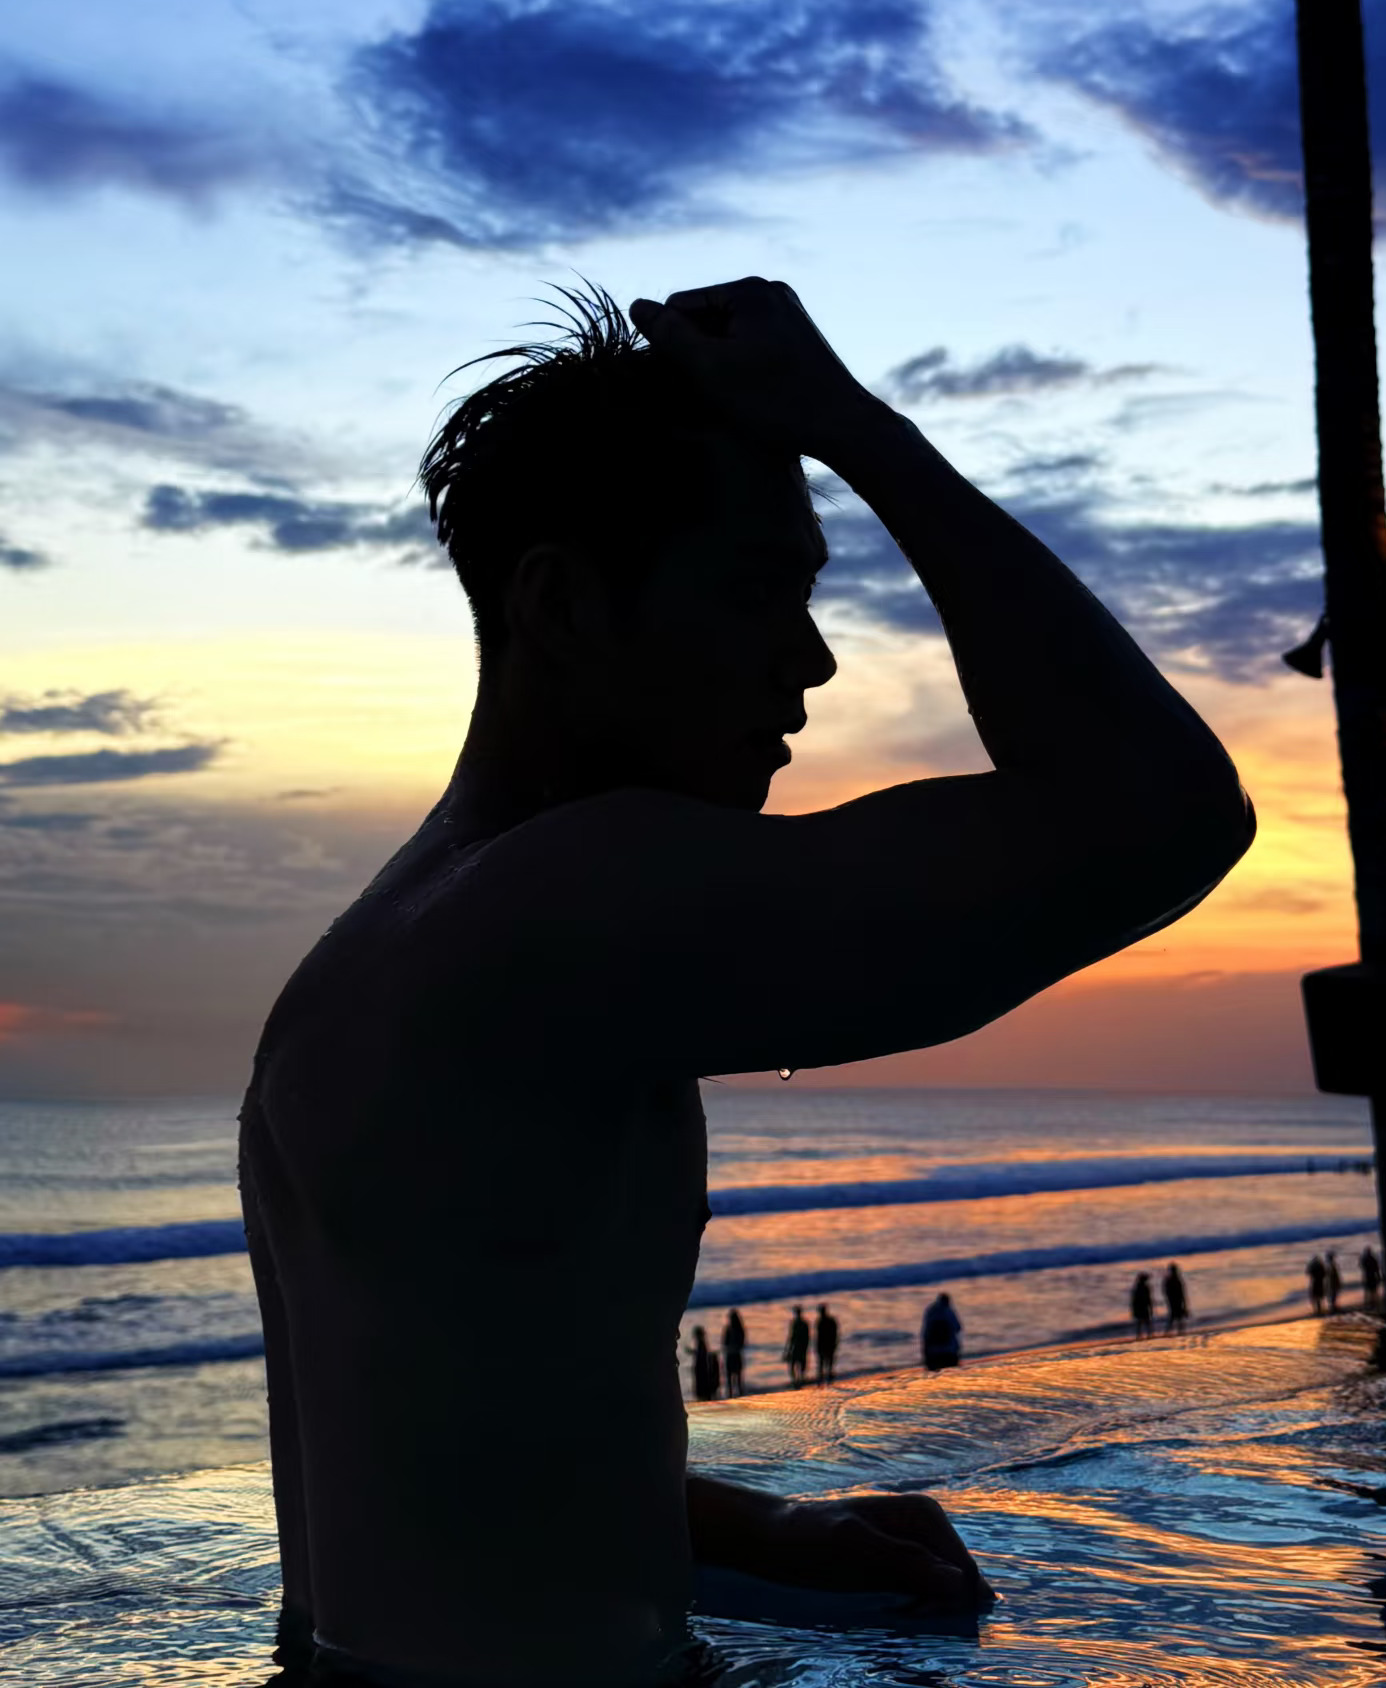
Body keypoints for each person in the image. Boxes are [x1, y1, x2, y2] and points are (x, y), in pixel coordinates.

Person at [239, 276, 1254, 1687]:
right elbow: (1163, 818)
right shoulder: (571, 901)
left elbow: (449, 1450)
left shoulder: (387, 942)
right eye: (757, 590)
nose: (813, 658)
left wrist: (764, 1526)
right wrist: (858, 428)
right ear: (562, 605)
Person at [921, 1292, 963, 1370]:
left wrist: (925, 1351)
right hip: (948, 1352)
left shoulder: (930, 1311)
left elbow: (925, 1332)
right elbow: (958, 1327)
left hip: (932, 1352)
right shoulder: (949, 1311)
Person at [783, 1306, 810, 1387]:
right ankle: (798, 1380)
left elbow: (804, 1337)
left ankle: (798, 1380)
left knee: (796, 1364)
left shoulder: (799, 1323)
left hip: (799, 1346)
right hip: (798, 1346)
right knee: (796, 1364)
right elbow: (793, 1336)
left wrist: (788, 1349)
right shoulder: (799, 1323)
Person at [722, 1308, 746, 1398]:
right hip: (734, 1354)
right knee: (736, 1378)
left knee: (733, 1379)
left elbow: (725, 1342)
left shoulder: (731, 1329)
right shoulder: (737, 1329)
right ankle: (736, 1395)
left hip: (732, 1355)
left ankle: (732, 1395)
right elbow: (725, 1342)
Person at [689, 1327, 715, 1405]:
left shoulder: (701, 1343)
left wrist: (693, 1352)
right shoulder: (702, 1343)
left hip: (701, 1370)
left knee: (702, 1392)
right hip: (702, 1370)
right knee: (703, 1391)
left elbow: (701, 1356)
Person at [815, 1303, 839, 1384]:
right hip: (826, 1344)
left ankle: (824, 1378)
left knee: (824, 1362)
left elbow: (834, 1333)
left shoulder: (822, 1321)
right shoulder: (823, 1321)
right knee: (825, 1362)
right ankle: (825, 1377)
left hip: (826, 1344)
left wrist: (834, 1343)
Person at [1162, 1263, 1188, 1332]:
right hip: (1176, 1300)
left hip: (1174, 1300)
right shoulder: (1174, 1279)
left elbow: (1166, 1292)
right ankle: (1175, 1331)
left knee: (1175, 1317)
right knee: (1176, 1317)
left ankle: (1171, 1331)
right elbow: (1181, 1292)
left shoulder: (1170, 1279)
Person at [1130, 1272, 1155, 1337]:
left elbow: (1133, 1300)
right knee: (1146, 1322)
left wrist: (1133, 1309)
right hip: (1143, 1307)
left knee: (1141, 1322)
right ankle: (1148, 1334)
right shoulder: (1144, 1288)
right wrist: (1151, 1308)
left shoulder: (1137, 1288)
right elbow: (1148, 1299)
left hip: (1139, 1307)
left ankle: (1140, 1335)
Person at [1325, 1250, 1343, 1315]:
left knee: (1333, 1296)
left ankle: (1333, 1308)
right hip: (1332, 1283)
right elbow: (1331, 1276)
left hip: (1331, 1283)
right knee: (1332, 1296)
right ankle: (1332, 1309)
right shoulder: (1330, 1265)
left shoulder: (1330, 1264)